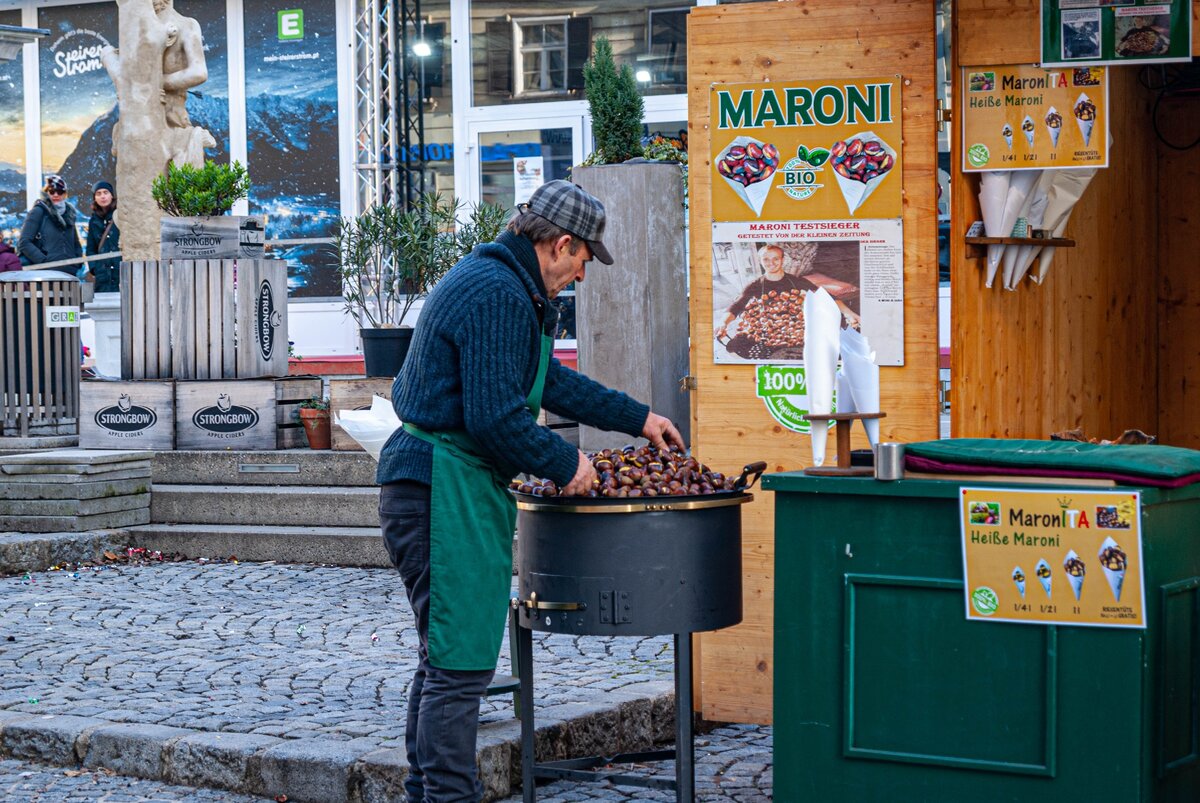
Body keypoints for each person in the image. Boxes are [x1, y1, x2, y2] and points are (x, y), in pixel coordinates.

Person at [375, 179, 685, 803]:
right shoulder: (497, 293)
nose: (583, 275)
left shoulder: (510, 286)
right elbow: (495, 418)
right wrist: (565, 462)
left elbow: (550, 384)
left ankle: (424, 792)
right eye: (583, 260)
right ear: (560, 244)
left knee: (448, 658)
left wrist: (640, 417)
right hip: (438, 485)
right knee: (459, 665)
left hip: (445, 483)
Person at [17, 175, 83, 267]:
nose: (56, 195)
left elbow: (75, 243)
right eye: (52, 191)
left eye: (59, 192)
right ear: (46, 193)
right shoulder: (38, 211)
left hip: (69, 274)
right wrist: (44, 262)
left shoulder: (69, 214)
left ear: (64, 194)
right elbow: (24, 242)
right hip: (46, 275)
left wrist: (77, 263)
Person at [84, 181, 121, 292]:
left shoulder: (119, 215)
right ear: (95, 197)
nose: (102, 196)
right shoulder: (94, 220)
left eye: (105, 192)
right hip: (102, 276)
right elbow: (91, 248)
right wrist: (94, 268)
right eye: (98, 194)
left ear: (112, 195)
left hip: (119, 272)